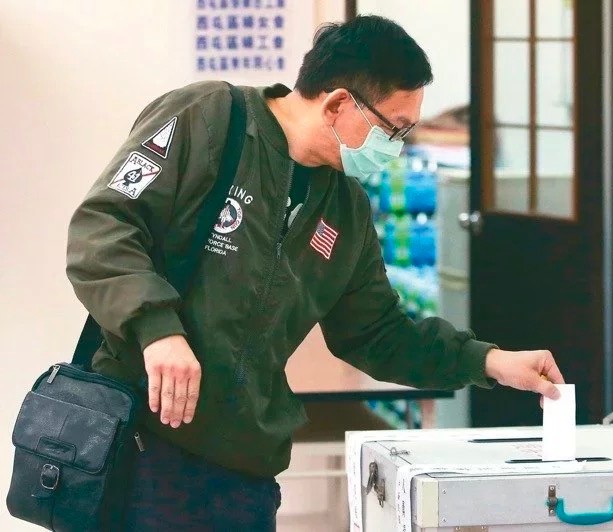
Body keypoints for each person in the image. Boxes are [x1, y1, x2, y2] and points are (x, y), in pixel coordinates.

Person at [66, 14, 565, 531]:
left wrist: (490, 361)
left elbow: (377, 334)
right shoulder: (210, 119)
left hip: (242, 471)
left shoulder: (345, 208)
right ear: (337, 104)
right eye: (393, 129)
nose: (396, 147)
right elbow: (103, 227)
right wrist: (158, 330)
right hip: (143, 441)